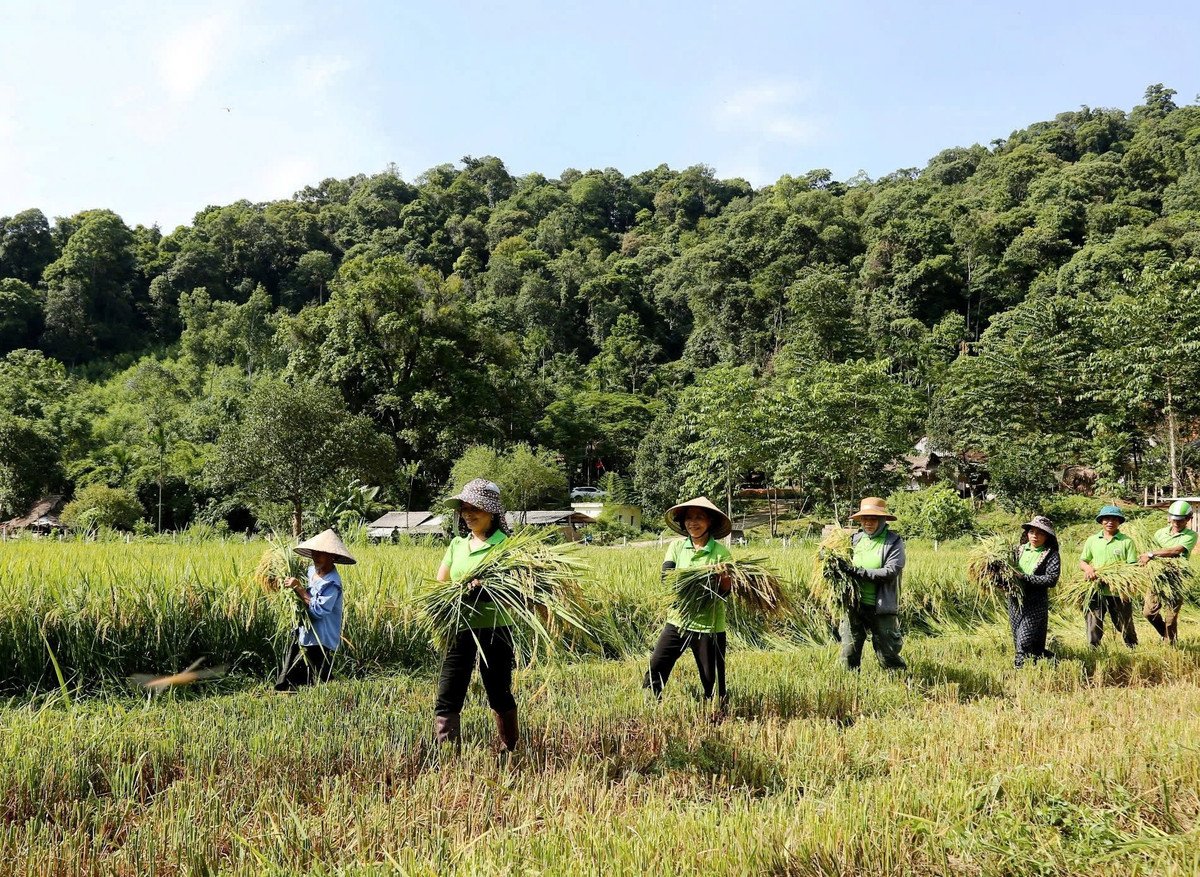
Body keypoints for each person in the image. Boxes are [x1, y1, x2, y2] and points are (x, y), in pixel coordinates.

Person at [433, 479, 519, 751]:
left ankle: (509, 748)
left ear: (492, 511)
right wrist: (457, 594)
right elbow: (441, 585)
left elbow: (517, 589)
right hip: (459, 628)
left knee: (498, 692)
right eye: (464, 509)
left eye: (475, 508)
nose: (468, 514)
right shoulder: (457, 545)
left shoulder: (506, 547)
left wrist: (487, 590)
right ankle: (447, 751)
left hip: (495, 628)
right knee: (448, 692)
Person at [643, 497, 733, 707]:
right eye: (689, 518)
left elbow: (724, 594)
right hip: (678, 621)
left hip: (708, 625)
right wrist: (694, 578)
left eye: (699, 517)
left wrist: (725, 582)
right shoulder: (676, 547)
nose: (693, 522)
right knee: (656, 666)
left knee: (712, 680)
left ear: (710, 521)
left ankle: (717, 711)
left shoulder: (721, 553)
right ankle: (649, 704)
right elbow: (667, 578)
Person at [274, 529, 355, 692]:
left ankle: (332, 697)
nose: (316, 556)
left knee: (315, 675)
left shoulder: (331, 583)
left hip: (320, 638)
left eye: (321, 553)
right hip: (304, 632)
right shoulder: (311, 571)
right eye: (314, 552)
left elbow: (318, 610)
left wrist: (299, 589)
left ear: (333, 556)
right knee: (294, 670)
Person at [838, 497, 906, 672]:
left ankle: (899, 684)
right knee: (849, 650)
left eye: (873, 519)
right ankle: (850, 686)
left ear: (882, 520)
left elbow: (890, 571)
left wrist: (858, 572)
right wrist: (828, 558)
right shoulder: (854, 540)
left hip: (880, 607)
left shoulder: (893, 542)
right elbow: (837, 556)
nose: (868, 523)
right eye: (865, 518)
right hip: (855, 605)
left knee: (888, 652)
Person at [1079, 504, 1139, 648]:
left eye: (1114, 519)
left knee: (1124, 624)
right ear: (1101, 521)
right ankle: (1094, 650)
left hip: (1119, 591)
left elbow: (1132, 566)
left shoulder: (1126, 541)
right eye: (1106, 519)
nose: (1110, 522)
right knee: (1094, 624)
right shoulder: (1092, 540)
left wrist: (1116, 577)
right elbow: (1083, 561)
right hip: (1096, 589)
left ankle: (1132, 647)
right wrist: (1088, 569)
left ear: (1119, 522)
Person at [1139, 500, 1196, 644]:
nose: (1177, 523)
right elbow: (1147, 550)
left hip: (1177, 578)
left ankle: (1170, 644)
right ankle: (1165, 635)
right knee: (1148, 613)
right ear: (1170, 518)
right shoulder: (1159, 533)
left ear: (1189, 519)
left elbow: (1175, 551)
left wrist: (1151, 554)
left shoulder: (1191, 535)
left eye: (1182, 520)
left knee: (1171, 617)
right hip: (1157, 577)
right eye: (1175, 519)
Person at [1007, 515, 1061, 667]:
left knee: (1023, 640)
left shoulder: (1051, 555)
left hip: (1036, 602)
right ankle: (1050, 661)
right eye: (1032, 532)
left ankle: (1019, 669)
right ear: (1027, 534)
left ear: (1047, 537)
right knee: (1022, 640)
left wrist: (1024, 577)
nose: (1035, 536)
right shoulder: (1017, 551)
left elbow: (1051, 579)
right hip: (1015, 601)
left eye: (1040, 533)